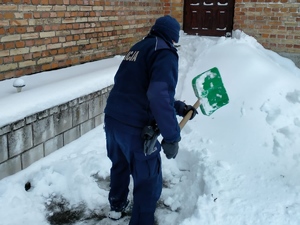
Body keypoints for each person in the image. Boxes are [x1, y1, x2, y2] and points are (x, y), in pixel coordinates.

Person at [103, 15, 197, 225]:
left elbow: (143, 88)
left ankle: (116, 208)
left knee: (120, 166)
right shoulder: (165, 52)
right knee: (148, 179)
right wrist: (172, 136)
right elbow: (158, 94)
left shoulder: (139, 48)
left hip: (113, 121)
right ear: (173, 38)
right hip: (136, 129)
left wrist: (180, 107)